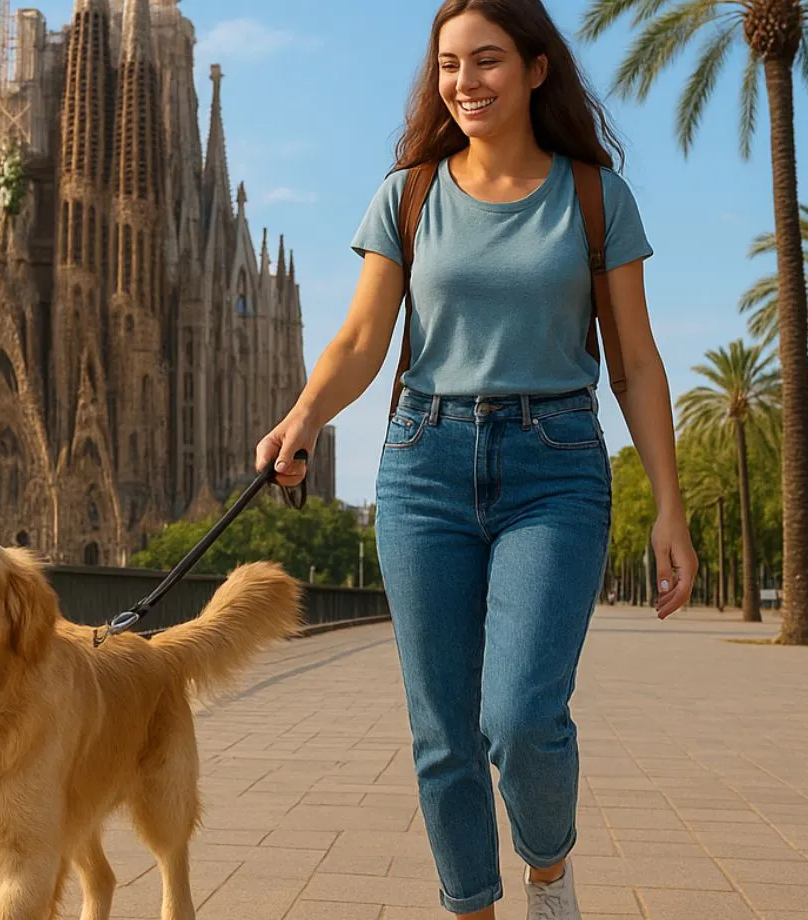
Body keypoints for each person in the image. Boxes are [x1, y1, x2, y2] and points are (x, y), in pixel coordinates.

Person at [254, 0, 696, 916]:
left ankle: (548, 870)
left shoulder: (595, 195)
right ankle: (472, 907)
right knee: (442, 734)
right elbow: (362, 339)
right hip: (424, 463)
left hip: (557, 465)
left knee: (523, 716)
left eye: (487, 60)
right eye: (450, 65)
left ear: (537, 69)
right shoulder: (409, 192)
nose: (465, 82)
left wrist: (669, 508)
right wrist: (302, 416)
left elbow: (638, 362)